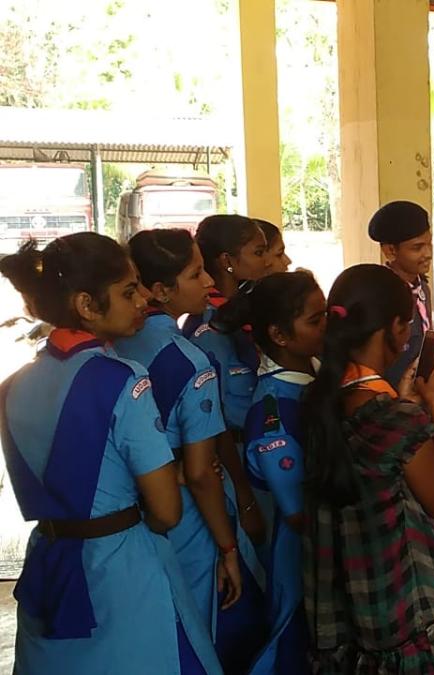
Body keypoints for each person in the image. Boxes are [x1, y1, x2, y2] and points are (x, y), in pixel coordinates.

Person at [0, 234, 222, 674]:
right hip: (119, 562)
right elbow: (166, 510)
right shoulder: (123, 379)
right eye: (127, 291)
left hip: (48, 559)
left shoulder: (11, 388)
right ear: (86, 304)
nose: (142, 299)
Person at [302, 264, 434, 673]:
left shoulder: (322, 398)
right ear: (396, 329)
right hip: (410, 605)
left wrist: (408, 403)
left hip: (360, 598)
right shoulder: (395, 417)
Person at [115, 229, 244, 644]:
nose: (209, 281)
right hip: (185, 519)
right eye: (196, 274)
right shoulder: (191, 360)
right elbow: (201, 473)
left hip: (128, 517)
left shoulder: (109, 349)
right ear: (160, 291)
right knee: (190, 632)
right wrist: (228, 548)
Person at [226, 271, 327, 675]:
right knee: (295, 638)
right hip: (297, 550)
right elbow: (298, 512)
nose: (327, 328)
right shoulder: (274, 413)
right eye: (315, 320)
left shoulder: (317, 374)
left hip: (319, 543)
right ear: (280, 335)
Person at [188, 214, 274, 671]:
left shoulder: (247, 313)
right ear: (227, 260)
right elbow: (214, 424)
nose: (269, 261)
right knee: (249, 574)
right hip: (238, 463)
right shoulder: (210, 331)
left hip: (263, 458)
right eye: (259, 252)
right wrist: (242, 494)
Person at [368, 200, 434, 387]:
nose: (428, 253)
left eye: (429, 244)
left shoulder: (422, 289)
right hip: (389, 398)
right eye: (417, 247)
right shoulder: (380, 296)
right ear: (390, 250)